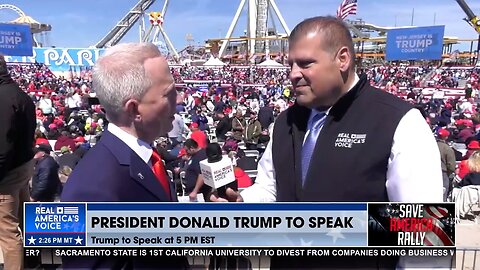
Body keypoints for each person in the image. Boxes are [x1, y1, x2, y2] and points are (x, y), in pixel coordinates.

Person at [211, 16, 443, 269]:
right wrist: (244, 204)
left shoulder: (399, 121)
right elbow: (271, 188)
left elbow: (424, 233)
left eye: (305, 64)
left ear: (342, 59)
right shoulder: (285, 122)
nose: (293, 74)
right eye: (290, 65)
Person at [61, 43, 188, 269]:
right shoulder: (94, 191)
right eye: (169, 93)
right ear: (134, 109)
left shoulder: (147, 157)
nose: (179, 100)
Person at [0, 55, 36, 270]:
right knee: (25, 219)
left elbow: (2, 147)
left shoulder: (3, 99)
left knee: (8, 232)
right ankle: (32, 262)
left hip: (7, 174)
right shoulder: (19, 94)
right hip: (22, 166)